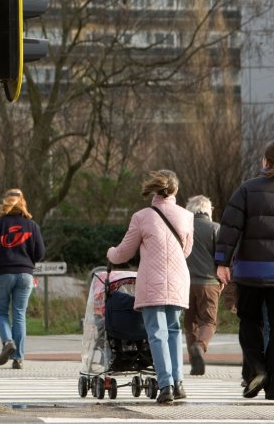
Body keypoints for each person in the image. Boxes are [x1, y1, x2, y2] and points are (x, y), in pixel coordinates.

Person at [107, 170, 194, 403]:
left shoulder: (142, 217)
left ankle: (165, 385)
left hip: (152, 281)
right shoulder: (187, 216)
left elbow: (124, 253)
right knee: (174, 331)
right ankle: (178, 382)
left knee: (156, 333)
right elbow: (186, 251)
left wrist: (111, 253)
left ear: (155, 190)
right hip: (178, 280)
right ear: (175, 190)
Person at [216, 140, 274, 400]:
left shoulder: (246, 189)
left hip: (250, 272)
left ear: (264, 161)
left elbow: (229, 228)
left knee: (249, 321)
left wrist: (222, 262)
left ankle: (257, 368)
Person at [0, 189, 45, 369]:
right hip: (25, 274)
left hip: (2, 273)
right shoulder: (32, 225)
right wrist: (27, 260)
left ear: (4, 203)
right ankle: (18, 358)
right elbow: (40, 252)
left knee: (1, 312)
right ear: (23, 203)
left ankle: (8, 341)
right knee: (19, 314)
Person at [184, 195, 221, 376]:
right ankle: (200, 346)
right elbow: (222, 257)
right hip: (209, 282)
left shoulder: (183, 228)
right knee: (208, 321)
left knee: (190, 323)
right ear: (208, 210)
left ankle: (195, 365)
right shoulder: (215, 228)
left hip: (185, 283)